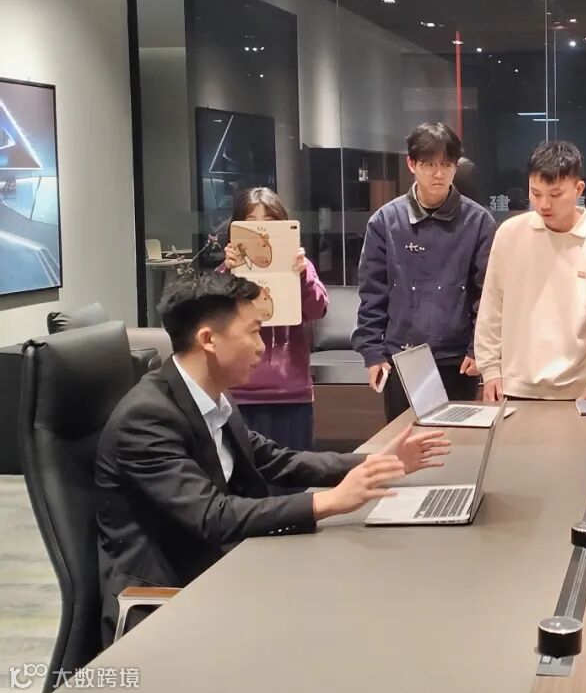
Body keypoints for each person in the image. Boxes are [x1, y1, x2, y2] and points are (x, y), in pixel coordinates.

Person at [96, 272, 450, 643]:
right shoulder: (147, 417)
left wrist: (374, 463)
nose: (261, 347)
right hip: (168, 598)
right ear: (208, 340)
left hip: (223, 566)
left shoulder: (212, 396)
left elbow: (276, 460)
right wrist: (329, 502)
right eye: (253, 332)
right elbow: (213, 515)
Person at [354, 122, 496, 423]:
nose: (438, 173)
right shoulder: (385, 222)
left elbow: (486, 296)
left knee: (458, 444)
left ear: (456, 166)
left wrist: (478, 349)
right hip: (402, 358)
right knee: (405, 442)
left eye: (446, 164)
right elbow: (372, 294)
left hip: (459, 360)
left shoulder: (479, 222)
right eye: (429, 164)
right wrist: (373, 352)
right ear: (411, 164)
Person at [474, 141, 586, 401]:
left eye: (555, 195)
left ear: (579, 189)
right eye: (535, 193)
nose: (543, 204)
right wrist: (489, 370)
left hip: (578, 391)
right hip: (512, 386)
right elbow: (491, 307)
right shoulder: (510, 234)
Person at [221, 187, 328, 455]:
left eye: (269, 223)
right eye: (250, 223)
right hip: (238, 395)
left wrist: (302, 276)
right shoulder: (226, 271)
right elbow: (211, 318)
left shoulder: (300, 267)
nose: (261, 231)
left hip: (290, 393)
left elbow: (318, 309)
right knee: (242, 475)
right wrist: (226, 273)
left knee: (295, 474)